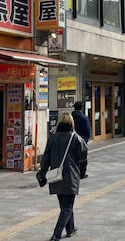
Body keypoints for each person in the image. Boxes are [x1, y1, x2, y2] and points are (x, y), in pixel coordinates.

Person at [37, 113, 85, 241]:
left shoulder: (52, 138)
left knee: (65, 206)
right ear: (72, 123)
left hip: (56, 177)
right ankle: (56, 235)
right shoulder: (75, 137)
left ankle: (71, 229)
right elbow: (83, 155)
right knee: (67, 207)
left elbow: (45, 158)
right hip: (70, 177)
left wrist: (41, 175)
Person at [71, 101, 91, 179]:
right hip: (82, 140)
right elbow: (88, 131)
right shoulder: (84, 118)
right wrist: (86, 139)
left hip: (71, 140)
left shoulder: (70, 117)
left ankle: (73, 172)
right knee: (83, 158)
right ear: (81, 108)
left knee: (72, 157)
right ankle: (82, 174)